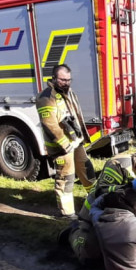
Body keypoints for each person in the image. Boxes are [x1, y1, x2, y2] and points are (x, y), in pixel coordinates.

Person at [67, 141, 136, 266]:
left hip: (123, 216)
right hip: (96, 215)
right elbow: (102, 192)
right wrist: (129, 186)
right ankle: (74, 231)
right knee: (91, 256)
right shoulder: (118, 164)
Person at [37, 64, 96, 217]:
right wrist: (65, 144)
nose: (67, 83)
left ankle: (97, 200)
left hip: (76, 143)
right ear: (54, 78)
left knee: (87, 169)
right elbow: (50, 124)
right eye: (63, 80)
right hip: (62, 148)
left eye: (69, 80)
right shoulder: (46, 98)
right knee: (66, 178)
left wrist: (80, 138)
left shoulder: (70, 93)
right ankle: (67, 213)